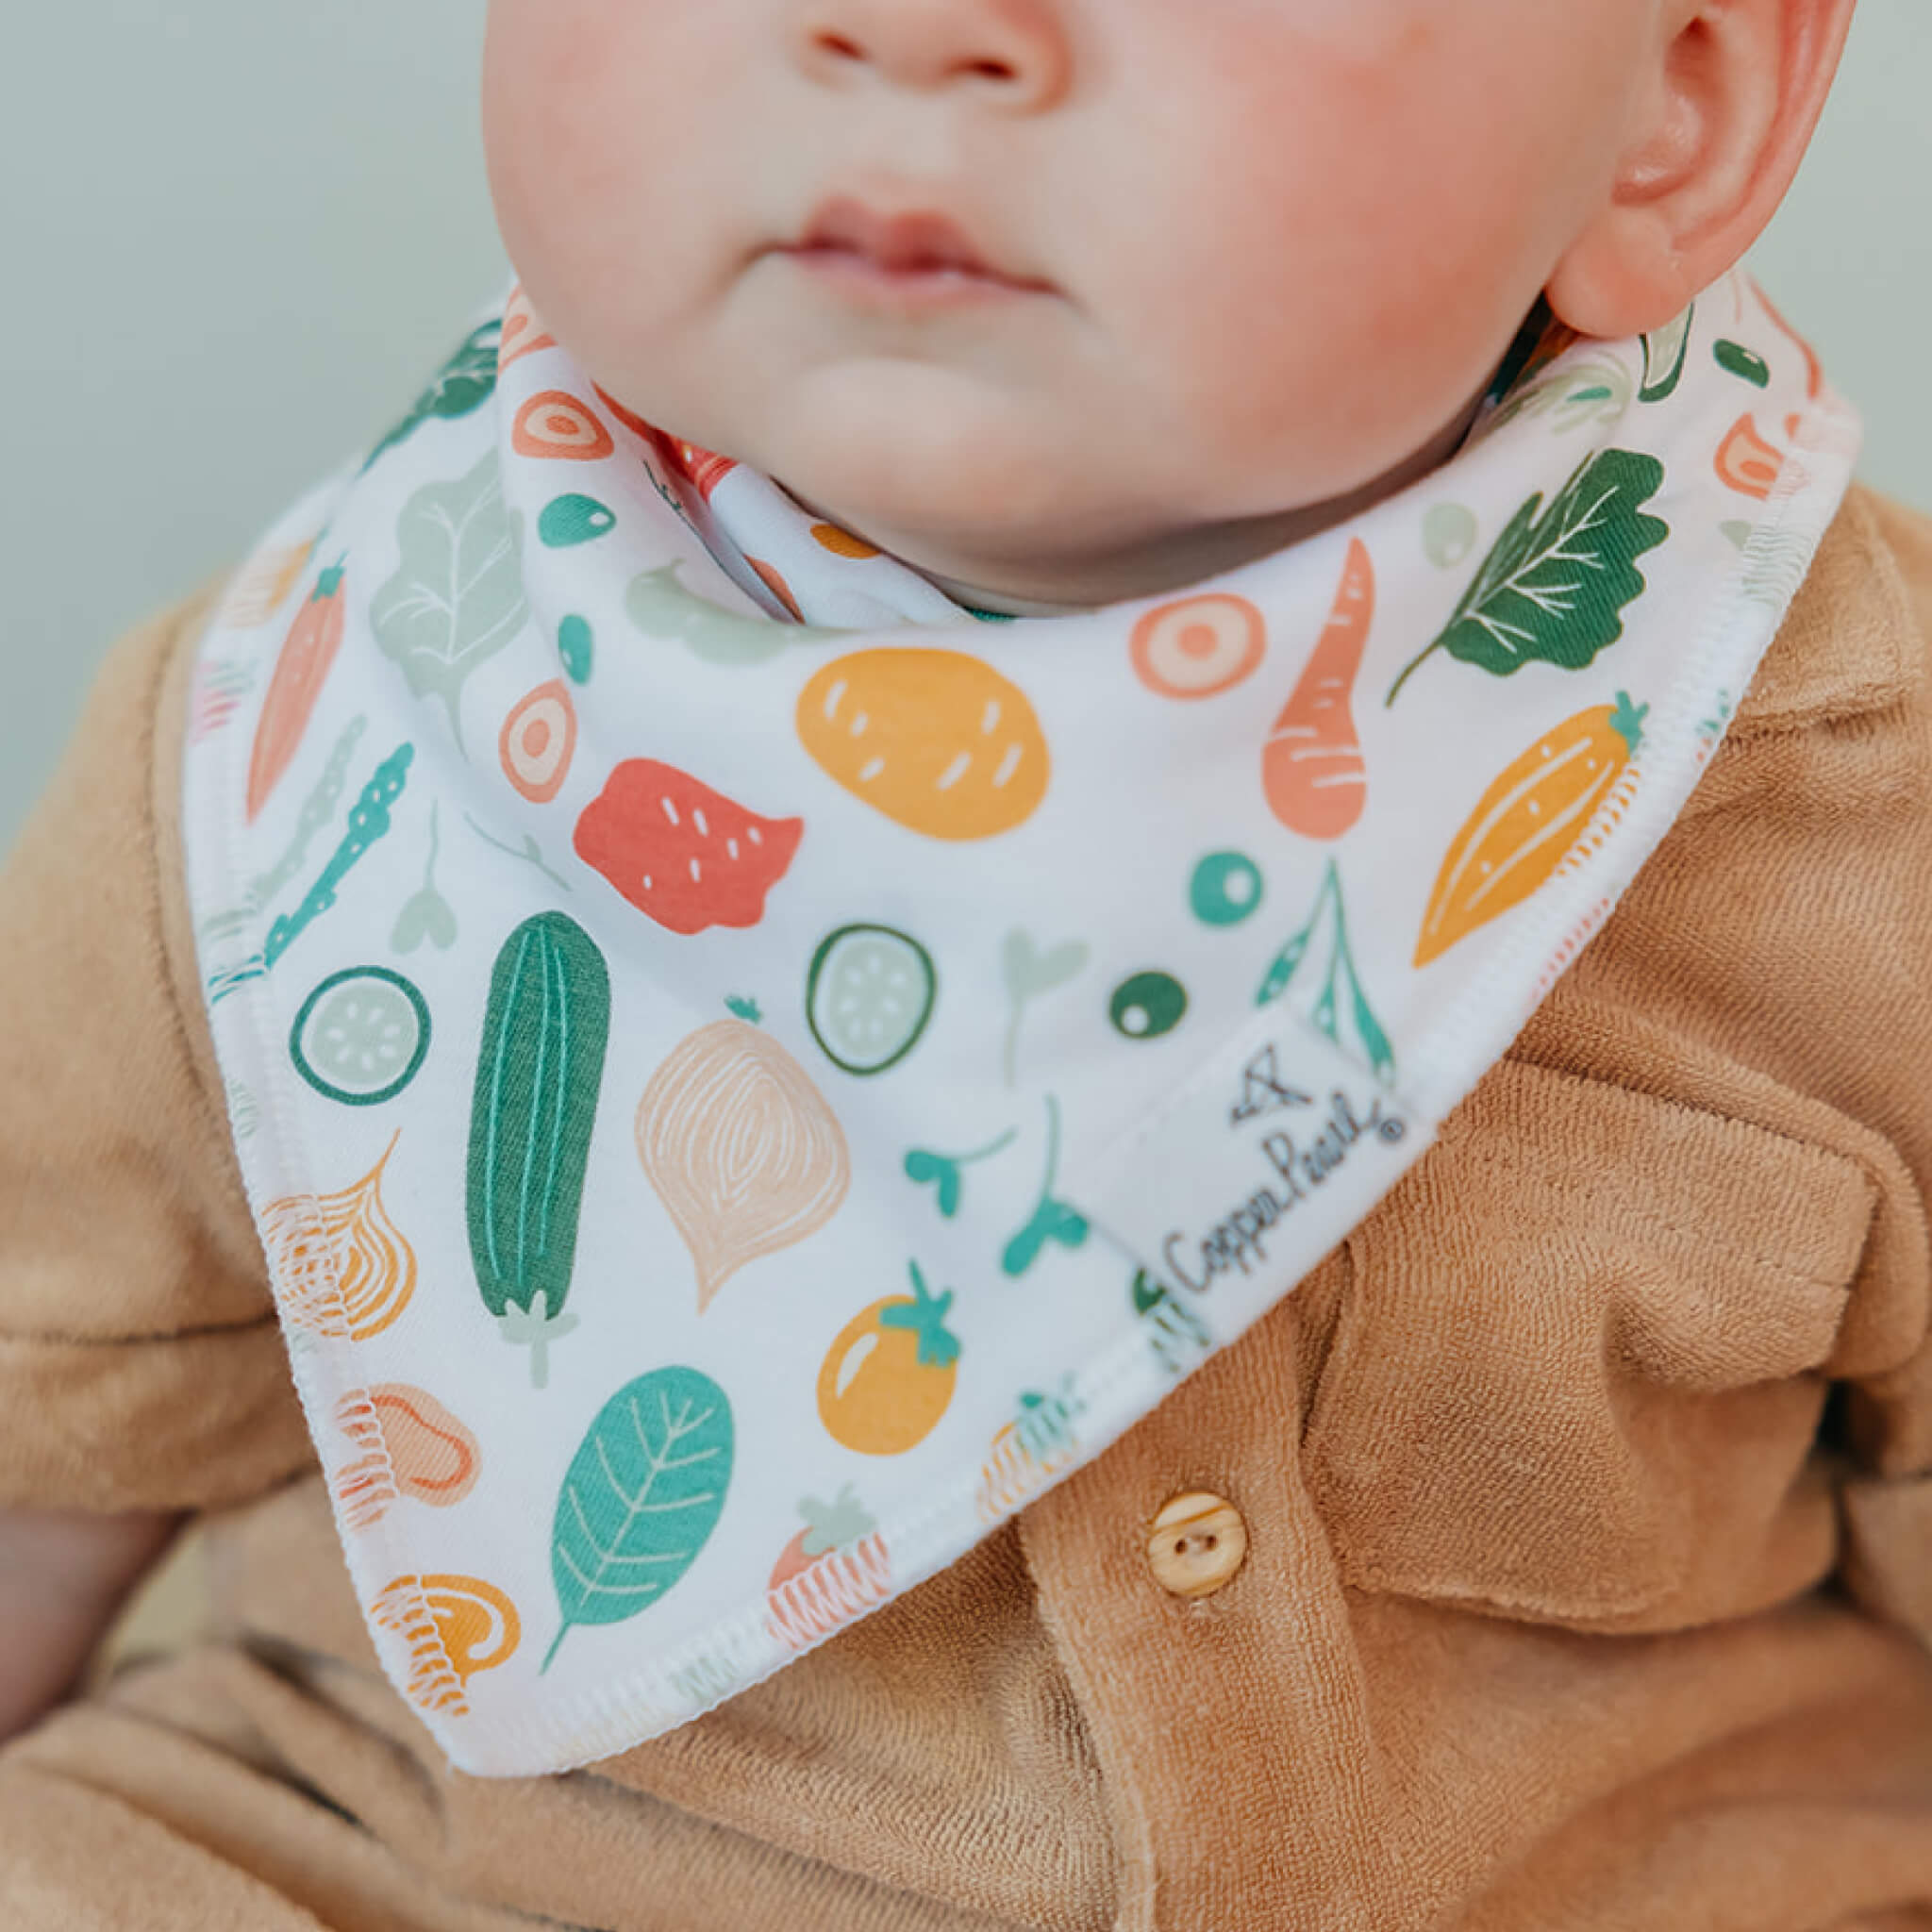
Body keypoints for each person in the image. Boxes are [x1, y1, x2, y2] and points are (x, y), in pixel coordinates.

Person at [5, 0, 1932, 1924]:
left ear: (1673, 108)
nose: (914, 30)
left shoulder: (1857, 782)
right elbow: (40, 1472)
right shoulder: (316, 745)